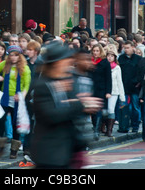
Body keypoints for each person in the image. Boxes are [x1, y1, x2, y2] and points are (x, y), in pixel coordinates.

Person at [30, 41, 101, 169]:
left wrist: (84, 105)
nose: (69, 63)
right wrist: (80, 104)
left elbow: (70, 108)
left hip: (66, 152)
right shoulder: (43, 85)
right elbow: (52, 115)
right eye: (66, 60)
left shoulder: (66, 81)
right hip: (50, 155)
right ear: (57, 63)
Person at [0, 45, 31, 159]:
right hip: (5, 97)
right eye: (11, 55)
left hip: (17, 99)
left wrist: (21, 95)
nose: (13, 57)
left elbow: (26, 85)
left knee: (15, 124)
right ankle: (1, 145)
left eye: (16, 55)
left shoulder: (24, 68)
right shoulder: (4, 64)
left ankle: (14, 150)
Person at [90, 43, 112, 140]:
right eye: (94, 51)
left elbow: (108, 78)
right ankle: (95, 126)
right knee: (93, 111)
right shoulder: (89, 62)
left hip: (101, 89)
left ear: (100, 52)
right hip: (91, 90)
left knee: (99, 111)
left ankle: (96, 130)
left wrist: (108, 92)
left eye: (97, 51)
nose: (95, 53)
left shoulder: (105, 63)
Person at [118, 41, 141, 133]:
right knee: (126, 108)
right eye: (125, 48)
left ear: (133, 48)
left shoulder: (138, 59)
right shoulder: (121, 58)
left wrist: (138, 82)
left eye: (127, 48)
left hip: (135, 87)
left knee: (135, 108)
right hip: (124, 87)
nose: (126, 50)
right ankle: (125, 126)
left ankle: (135, 126)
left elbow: (141, 72)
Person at [106, 46, 126, 137]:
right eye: (108, 56)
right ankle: (103, 127)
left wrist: (122, 96)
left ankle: (109, 130)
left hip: (114, 91)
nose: (109, 58)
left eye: (111, 56)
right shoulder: (104, 66)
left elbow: (120, 82)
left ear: (114, 57)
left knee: (110, 109)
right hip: (105, 91)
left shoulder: (117, 68)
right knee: (104, 111)